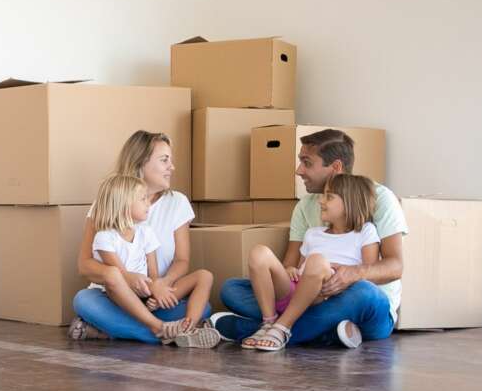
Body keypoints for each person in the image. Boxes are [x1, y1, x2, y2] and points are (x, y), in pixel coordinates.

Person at [212, 129, 407, 345]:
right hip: (307, 298)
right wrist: (291, 271)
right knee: (232, 289)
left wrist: (350, 275)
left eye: (307, 163)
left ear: (336, 167)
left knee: (365, 293)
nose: (298, 171)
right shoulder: (305, 205)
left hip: (358, 302)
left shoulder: (379, 198)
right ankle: (327, 333)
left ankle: (256, 329)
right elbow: (290, 264)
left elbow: (395, 267)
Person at [70, 131, 213, 344]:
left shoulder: (178, 202)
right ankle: (170, 334)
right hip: (112, 297)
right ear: (140, 162)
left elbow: (182, 261)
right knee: (84, 300)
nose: (171, 167)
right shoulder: (109, 203)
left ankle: (108, 331)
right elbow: (84, 265)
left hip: (156, 297)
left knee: (204, 306)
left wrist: (161, 285)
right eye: (164, 160)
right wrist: (125, 278)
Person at [241, 173, 380, 351]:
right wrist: (290, 269)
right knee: (256, 255)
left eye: (329, 197)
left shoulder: (365, 232)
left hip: (329, 297)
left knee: (319, 263)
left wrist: (340, 273)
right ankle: (269, 323)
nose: (321, 201)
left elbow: (369, 275)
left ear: (350, 202)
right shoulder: (313, 233)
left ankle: (283, 327)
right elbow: (301, 270)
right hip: (299, 292)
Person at [87, 174, 218, 347]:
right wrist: (145, 287)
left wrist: (157, 290)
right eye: (142, 199)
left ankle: (188, 330)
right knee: (107, 281)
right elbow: (122, 276)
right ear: (123, 205)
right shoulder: (105, 237)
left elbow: (154, 274)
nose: (148, 203)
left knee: (204, 276)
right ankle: (158, 328)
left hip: (147, 293)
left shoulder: (145, 232)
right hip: (122, 296)